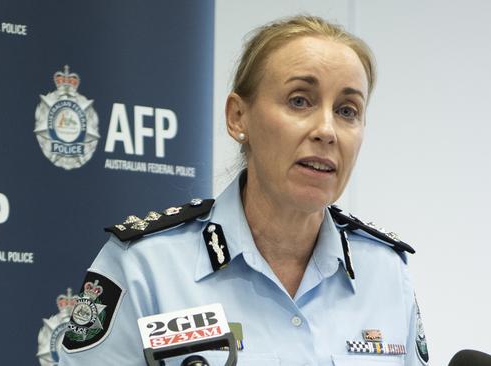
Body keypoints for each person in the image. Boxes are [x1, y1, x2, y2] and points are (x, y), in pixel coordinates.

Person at [59, 15, 429, 366]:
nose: (327, 130)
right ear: (238, 117)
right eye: (299, 101)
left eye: (347, 110)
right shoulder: (144, 267)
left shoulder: (386, 273)